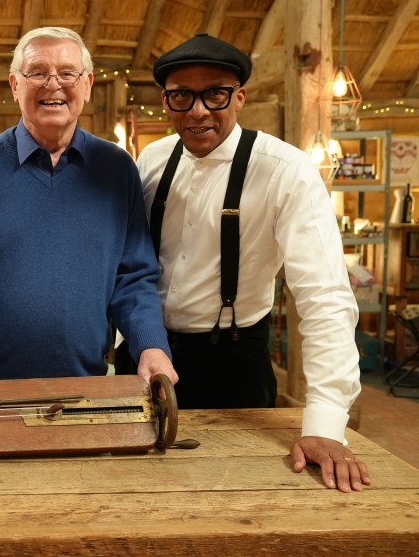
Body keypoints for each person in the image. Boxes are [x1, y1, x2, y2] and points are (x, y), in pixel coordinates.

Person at [136, 32, 370, 492]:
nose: (198, 111)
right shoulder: (151, 159)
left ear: (239, 97)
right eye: (181, 95)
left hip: (234, 364)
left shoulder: (286, 171)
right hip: (147, 358)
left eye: (215, 94)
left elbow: (324, 297)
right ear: (166, 100)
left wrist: (323, 422)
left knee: (237, 498)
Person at [0, 27, 177, 386]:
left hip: (85, 389)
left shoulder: (116, 170)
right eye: (37, 72)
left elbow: (133, 276)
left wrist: (151, 346)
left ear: (87, 85)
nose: (53, 84)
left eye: (68, 73)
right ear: (14, 85)